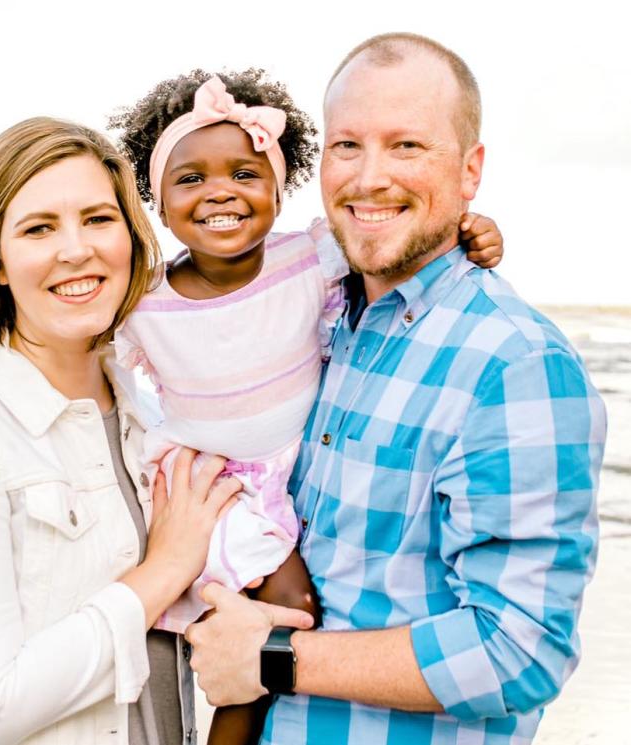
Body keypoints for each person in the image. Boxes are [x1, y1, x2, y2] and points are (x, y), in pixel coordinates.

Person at [185, 33, 607, 745]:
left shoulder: (514, 364)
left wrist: (273, 659)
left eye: (407, 146)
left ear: (471, 170)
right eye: (347, 146)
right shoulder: (322, 324)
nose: (369, 177)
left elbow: (519, 651)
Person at [110, 69, 504, 744]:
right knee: (282, 611)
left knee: (283, 625)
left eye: (244, 172)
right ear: (157, 197)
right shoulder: (144, 301)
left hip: (305, 473)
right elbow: (82, 347)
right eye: (192, 179)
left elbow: (399, 251)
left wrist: (473, 231)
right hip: (218, 489)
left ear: (279, 183)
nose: (220, 193)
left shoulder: (310, 259)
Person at [0, 116, 249, 745]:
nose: (76, 249)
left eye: (98, 219)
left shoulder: (154, 416)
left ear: (131, 237)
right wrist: (162, 570)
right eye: (38, 229)